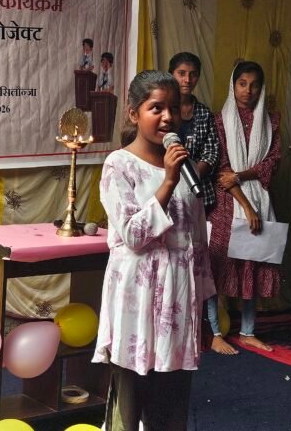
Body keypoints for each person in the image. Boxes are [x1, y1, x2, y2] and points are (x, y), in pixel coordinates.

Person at [92, 70, 216, 431]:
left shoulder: (185, 168)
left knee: (172, 403)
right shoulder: (119, 165)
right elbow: (133, 235)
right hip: (138, 295)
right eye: (156, 108)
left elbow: (198, 244)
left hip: (179, 296)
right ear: (134, 113)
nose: (167, 117)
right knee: (131, 401)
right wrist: (168, 182)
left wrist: (205, 313)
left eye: (173, 108)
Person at [205, 61, 281, 354]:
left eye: (254, 85)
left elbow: (272, 163)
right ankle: (215, 333)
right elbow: (222, 171)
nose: (248, 90)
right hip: (226, 204)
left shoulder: (270, 122)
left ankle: (248, 331)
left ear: (262, 88)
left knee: (253, 261)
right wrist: (247, 207)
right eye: (242, 83)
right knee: (215, 267)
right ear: (233, 85)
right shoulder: (218, 122)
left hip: (259, 197)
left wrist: (241, 175)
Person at [168, 52, 219, 216]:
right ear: (171, 75)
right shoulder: (162, 110)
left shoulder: (204, 113)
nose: (187, 80)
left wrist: (192, 175)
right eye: (181, 73)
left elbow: (211, 153)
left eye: (193, 74)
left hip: (198, 188)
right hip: (165, 185)